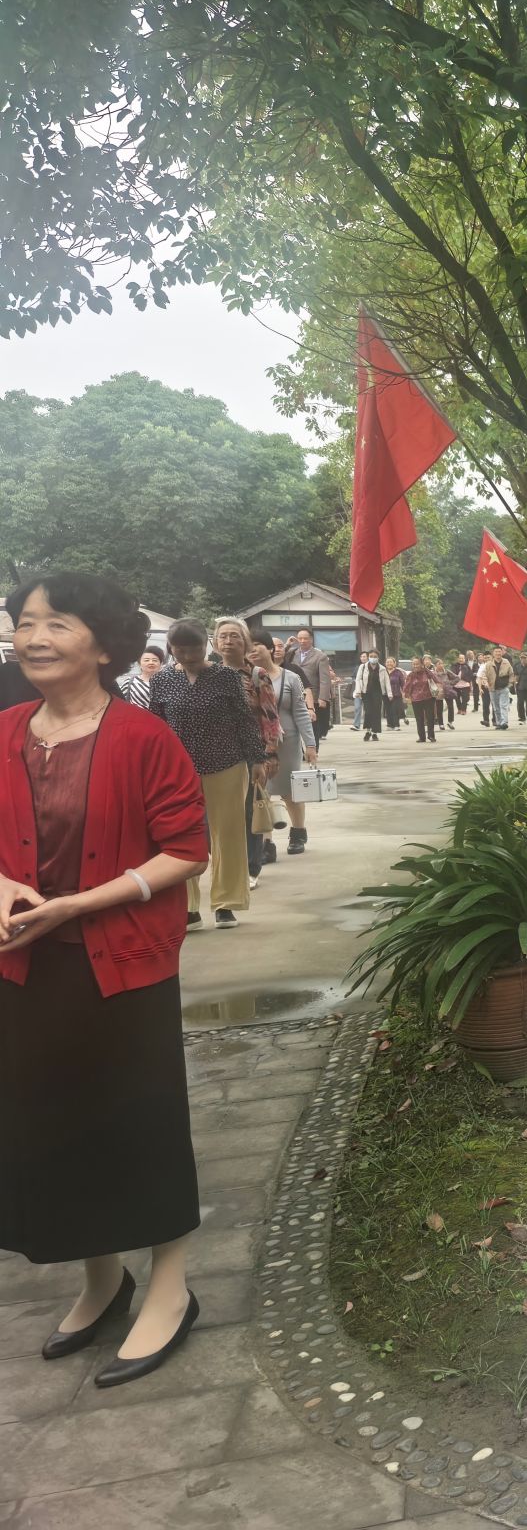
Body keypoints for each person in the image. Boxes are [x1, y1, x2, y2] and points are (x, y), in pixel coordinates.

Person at [0, 573, 212, 1388]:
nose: (35, 637)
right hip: (25, 969)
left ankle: (170, 1286)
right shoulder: (6, 730)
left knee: (138, 1121)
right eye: (26, 622)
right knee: (53, 1126)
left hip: (122, 966)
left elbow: (186, 850)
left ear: (102, 642)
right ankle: (101, 1278)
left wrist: (81, 903)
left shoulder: (143, 737)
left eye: (57, 622)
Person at [152, 619, 265, 929]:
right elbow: (155, 726)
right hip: (177, 771)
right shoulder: (161, 680)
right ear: (171, 649)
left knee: (227, 834)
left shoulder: (226, 677)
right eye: (181, 650)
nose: (189, 656)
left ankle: (226, 903)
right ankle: (187, 906)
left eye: (195, 649)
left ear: (207, 645)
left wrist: (257, 759)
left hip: (226, 764)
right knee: (181, 835)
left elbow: (244, 720)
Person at [213, 618, 276, 889]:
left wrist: (269, 753)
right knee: (222, 814)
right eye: (223, 636)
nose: (228, 641)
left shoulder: (257, 674)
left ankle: (251, 866)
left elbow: (270, 716)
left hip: (252, 752)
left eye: (234, 636)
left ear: (246, 642)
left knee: (250, 810)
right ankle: (229, 864)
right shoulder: (209, 674)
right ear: (215, 643)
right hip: (217, 752)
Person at [252, 638, 318, 855]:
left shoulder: (291, 677)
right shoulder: (246, 676)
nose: (252, 650)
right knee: (260, 791)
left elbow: (300, 711)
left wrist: (310, 744)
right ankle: (265, 842)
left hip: (287, 741)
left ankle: (298, 832)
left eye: (257, 645)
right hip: (256, 741)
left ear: (270, 649)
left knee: (290, 790)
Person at [290, 628, 337, 742]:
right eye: (300, 638)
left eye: (305, 638)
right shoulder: (291, 654)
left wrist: (323, 698)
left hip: (313, 696)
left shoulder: (320, 656)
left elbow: (325, 679)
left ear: (311, 639)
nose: (302, 641)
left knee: (313, 726)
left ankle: (313, 748)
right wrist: (287, 644)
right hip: (294, 694)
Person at [403, 654, 438, 743]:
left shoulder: (427, 672)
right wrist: (406, 696)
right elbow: (407, 686)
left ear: (422, 664)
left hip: (428, 697)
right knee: (419, 719)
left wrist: (439, 689)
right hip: (416, 699)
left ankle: (431, 736)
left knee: (430, 717)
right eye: (413, 664)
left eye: (417, 664)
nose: (415, 666)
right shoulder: (411, 675)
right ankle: (422, 737)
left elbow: (436, 680)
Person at [483, 645, 516, 729]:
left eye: (499, 652)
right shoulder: (488, 664)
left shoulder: (506, 662)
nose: (498, 653)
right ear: (493, 653)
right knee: (496, 707)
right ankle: (499, 723)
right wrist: (486, 683)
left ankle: (504, 722)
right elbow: (484, 676)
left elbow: (511, 674)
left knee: (503, 706)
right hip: (493, 689)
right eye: (496, 652)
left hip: (504, 688)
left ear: (502, 653)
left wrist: (510, 684)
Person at [357, 654, 385, 741]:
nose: (373, 658)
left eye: (375, 656)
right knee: (368, 712)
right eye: (371, 656)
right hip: (366, 693)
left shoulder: (382, 668)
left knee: (376, 712)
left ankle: (374, 733)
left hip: (377, 693)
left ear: (378, 658)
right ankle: (368, 731)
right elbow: (358, 679)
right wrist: (358, 691)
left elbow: (386, 681)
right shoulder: (363, 667)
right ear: (369, 657)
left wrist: (389, 693)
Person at [383, 658, 407, 735]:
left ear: (394, 663)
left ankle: (396, 725)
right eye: (387, 662)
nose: (389, 663)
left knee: (395, 709)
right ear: (385, 663)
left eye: (391, 662)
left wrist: (404, 692)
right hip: (386, 694)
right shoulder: (383, 672)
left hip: (396, 694)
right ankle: (390, 725)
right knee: (388, 710)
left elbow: (403, 683)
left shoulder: (398, 672)